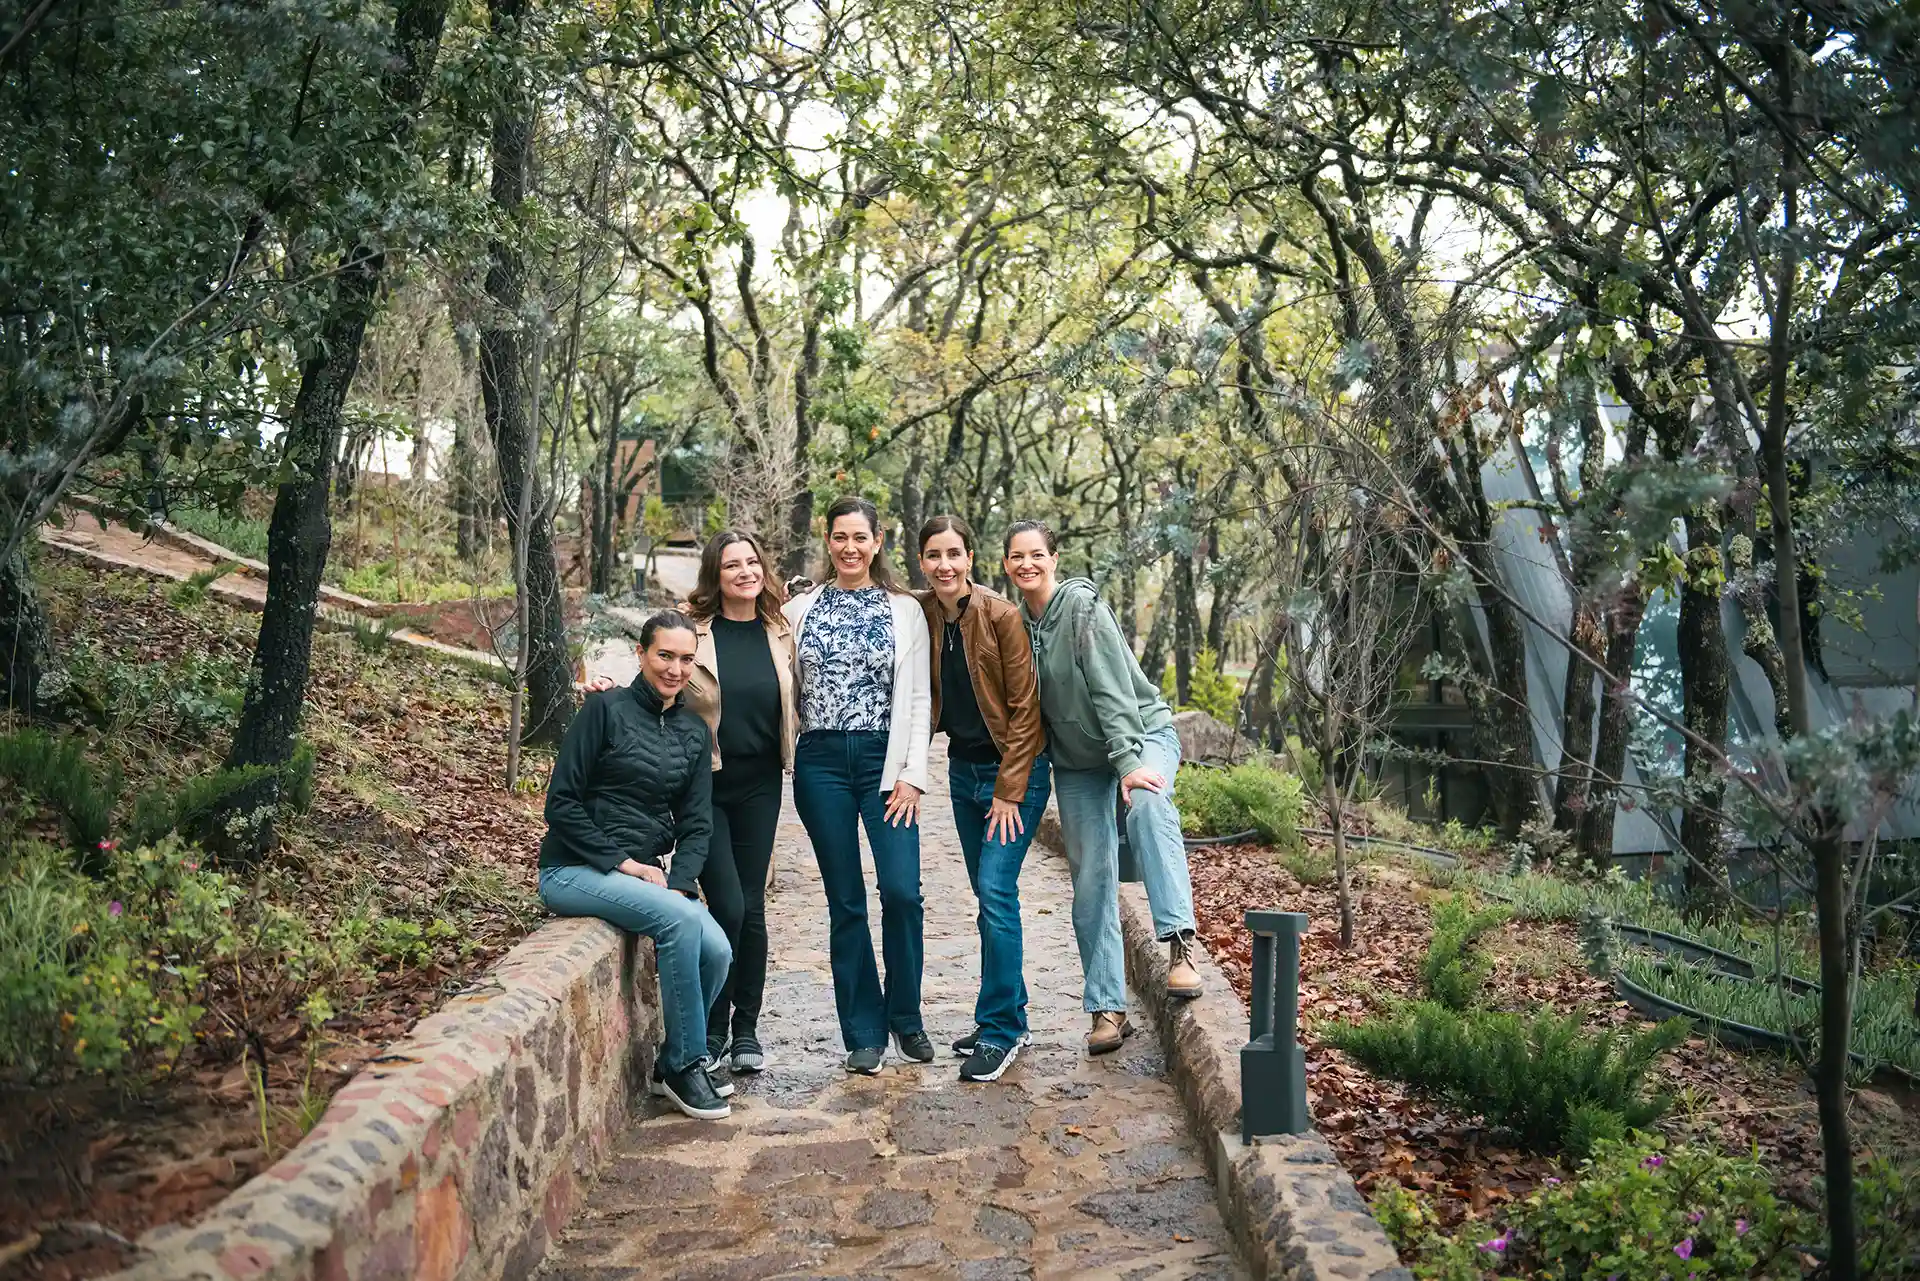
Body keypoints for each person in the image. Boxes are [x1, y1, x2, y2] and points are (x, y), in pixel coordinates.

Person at [1003, 520, 1204, 1056]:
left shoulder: (1081, 607)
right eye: (1017, 556)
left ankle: (1180, 946)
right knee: (1090, 876)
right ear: (1005, 565)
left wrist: (1128, 763)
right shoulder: (1017, 625)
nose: (1027, 564)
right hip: (1078, 765)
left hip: (1139, 735)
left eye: (1037, 554)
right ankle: (1108, 1008)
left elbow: (1112, 689)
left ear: (1054, 558)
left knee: (1148, 805)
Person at [537, 610, 734, 1120]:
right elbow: (561, 804)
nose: (675, 669)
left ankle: (670, 1064)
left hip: (641, 874)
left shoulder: (694, 731)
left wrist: (682, 882)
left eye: (686, 659)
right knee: (680, 921)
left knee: (717, 951)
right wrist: (624, 863)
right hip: (573, 870)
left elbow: (697, 825)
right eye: (664, 655)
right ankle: (687, 1064)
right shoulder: (604, 710)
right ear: (641, 654)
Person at [785, 496, 934, 1074]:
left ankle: (906, 1016)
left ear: (877, 542)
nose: (850, 548)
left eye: (860, 538)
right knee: (845, 900)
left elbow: (917, 698)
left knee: (902, 891)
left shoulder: (905, 610)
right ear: (828, 541)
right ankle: (864, 1031)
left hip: (883, 761)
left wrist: (912, 776)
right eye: (840, 537)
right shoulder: (800, 609)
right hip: (820, 762)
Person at [917, 516, 1050, 1083]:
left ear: (971, 559)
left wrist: (1009, 791)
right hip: (961, 771)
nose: (944, 565)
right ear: (922, 562)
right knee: (986, 895)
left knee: (996, 892)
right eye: (933, 555)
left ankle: (1001, 1030)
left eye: (954, 554)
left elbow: (1026, 709)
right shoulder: (922, 612)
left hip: (1013, 773)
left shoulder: (1000, 615)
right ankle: (1009, 1011)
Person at [681, 530, 796, 1076]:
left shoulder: (780, 630)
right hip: (704, 785)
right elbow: (658, 680)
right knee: (726, 904)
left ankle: (744, 1028)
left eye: (752, 562)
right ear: (716, 575)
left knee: (750, 904)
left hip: (760, 783)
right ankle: (713, 1024)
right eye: (732, 565)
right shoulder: (694, 632)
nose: (745, 572)